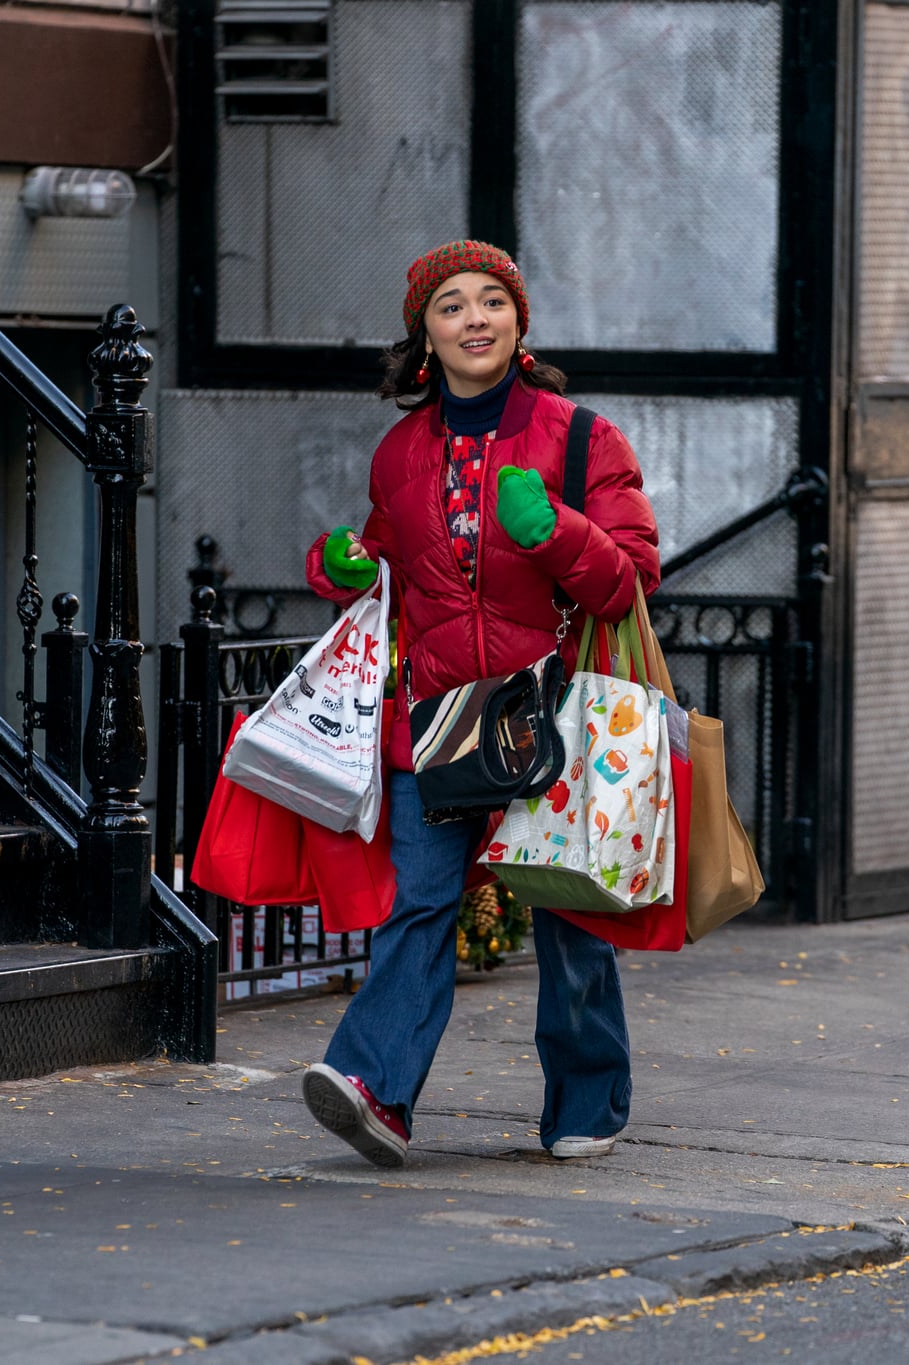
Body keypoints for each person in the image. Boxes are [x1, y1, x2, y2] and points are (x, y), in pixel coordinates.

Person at [299, 240, 661, 1168]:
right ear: (424, 333)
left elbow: (631, 582)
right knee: (417, 905)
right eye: (451, 304)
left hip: (554, 716)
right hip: (439, 718)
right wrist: (344, 568)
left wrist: (557, 531)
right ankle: (376, 1090)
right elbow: (390, 569)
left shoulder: (582, 438)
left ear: (518, 322)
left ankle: (587, 1100)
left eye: (491, 300)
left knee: (568, 917)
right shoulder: (399, 453)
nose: (474, 318)